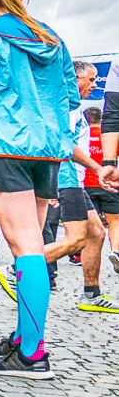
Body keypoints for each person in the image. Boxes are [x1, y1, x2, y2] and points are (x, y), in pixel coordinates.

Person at [0, 0, 81, 380]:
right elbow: (70, 96)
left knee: (26, 248)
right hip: (46, 152)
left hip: (4, 146)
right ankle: (23, 337)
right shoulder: (53, 38)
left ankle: (31, 354)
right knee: (31, 243)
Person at [42, 61, 116, 313]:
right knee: (76, 239)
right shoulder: (65, 103)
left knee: (96, 232)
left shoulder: (72, 105)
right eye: (92, 79)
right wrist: (98, 168)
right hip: (64, 178)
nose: (95, 85)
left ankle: (91, 294)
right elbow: (64, 146)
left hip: (72, 178)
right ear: (74, 78)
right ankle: (17, 268)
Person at [84, 106, 119, 272]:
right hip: (109, 184)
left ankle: (82, 254)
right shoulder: (109, 138)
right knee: (115, 222)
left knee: (89, 224)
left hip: (87, 185)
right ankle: (115, 251)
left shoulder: (83, 135)